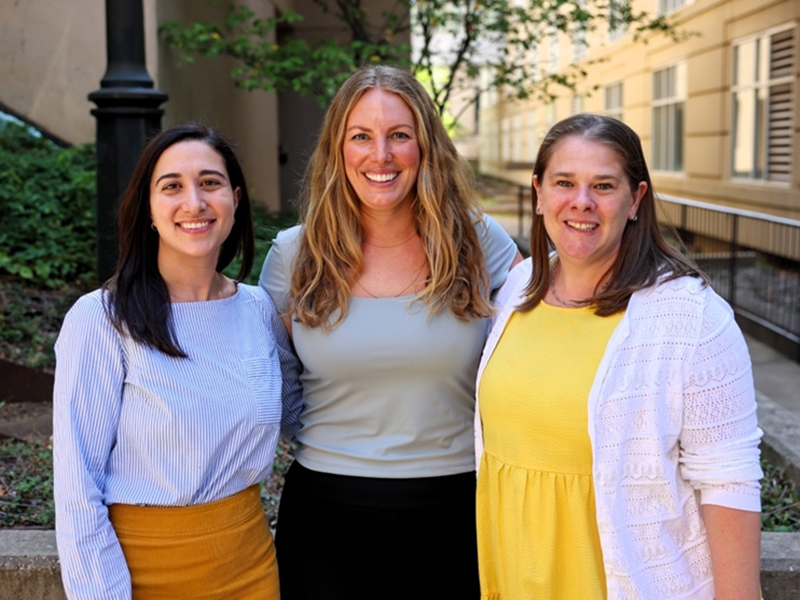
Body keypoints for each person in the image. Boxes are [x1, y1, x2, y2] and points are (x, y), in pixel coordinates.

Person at [474, 113, 763, 599]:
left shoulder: (691, 319)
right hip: (511, 577)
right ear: (539, 192)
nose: (581, 202)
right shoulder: (516, 291)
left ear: (636, 200)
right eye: (564, 182)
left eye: (603, 185)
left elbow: (729, 482)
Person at [260, 65, 521, 599]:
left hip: (457, 514)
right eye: (361, 136)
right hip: (325, 519)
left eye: (399, 135)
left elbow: (542, 337)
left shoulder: (478, 243)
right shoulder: (295, 254)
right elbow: (267, 385)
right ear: (338, 149)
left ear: (425, 147)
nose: (380, 155)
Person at [53, 123, 302, 599]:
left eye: (209, 183)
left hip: (252, 568)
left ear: (235, 198)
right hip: (145, 574)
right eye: (172, 186)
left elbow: (303, 415)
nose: (194, 202)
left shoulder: (257, 310)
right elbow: (76, 490)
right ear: (148, 208)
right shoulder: (101, 320)